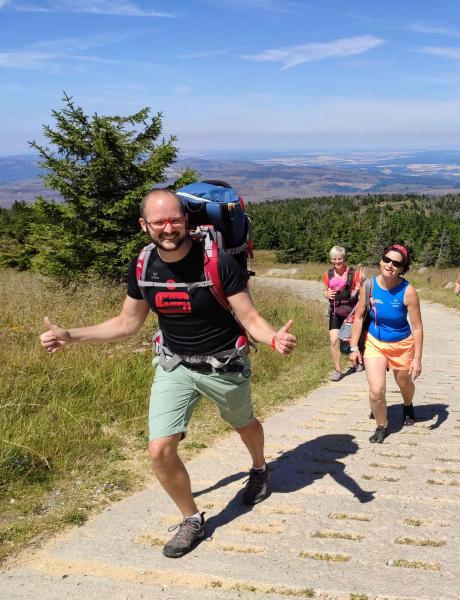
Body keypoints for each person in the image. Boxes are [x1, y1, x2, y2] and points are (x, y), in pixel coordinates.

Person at [39, 189, 297, 558]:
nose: (168, 228)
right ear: (144, 225)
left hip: (223, 365)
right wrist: (71, 336)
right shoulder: (143, 265)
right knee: (159, 450)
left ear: (186, 221)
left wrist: (273, 338)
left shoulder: (218, 262)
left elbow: (249, 316)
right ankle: (191, 519)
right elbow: (127, 323)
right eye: (158, 221)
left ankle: (259, 468)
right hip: (174, 365)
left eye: (175, 219)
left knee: (245, 425)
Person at [349, 243, 423, 444]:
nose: (390, 265)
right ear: (381, 260)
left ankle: (407, 404)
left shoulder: (408, 291)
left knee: (404, 382)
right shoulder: (369, 286)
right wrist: (354, 347)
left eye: (396, 263)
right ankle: (381, 425)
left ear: (402, 268)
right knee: (376, 390)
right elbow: (359, 316)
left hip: (402, 344)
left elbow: (417, 328)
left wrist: (417, 359)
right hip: (375, 342)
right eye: (387, 260)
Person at [322, 246, 364, 381]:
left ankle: (357, 360)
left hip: (351, 311)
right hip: (335, 311)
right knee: (334, 340)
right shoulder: (328, 274)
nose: (337, 262)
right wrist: (327, 293)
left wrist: (361, 284)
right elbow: (324, 291)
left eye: (339, 259)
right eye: (334, 259)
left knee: (351, 339)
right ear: (331, 260)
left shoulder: (353, 273)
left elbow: (361, 291)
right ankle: (338, 371)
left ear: (344, 258)